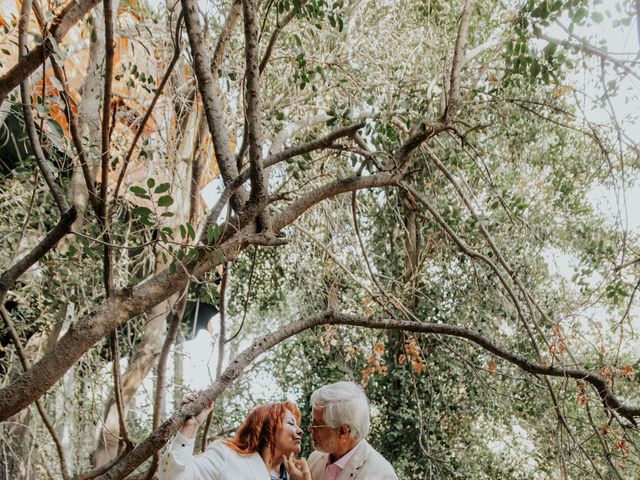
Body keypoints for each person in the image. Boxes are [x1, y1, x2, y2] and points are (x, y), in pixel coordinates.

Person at [158, 394, 311, 480]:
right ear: (267, 429)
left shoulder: (295, 476)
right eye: (291, 423)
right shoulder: (226, 455)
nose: (300, 431)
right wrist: (189, 428)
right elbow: (175, 478)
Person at [285, 381, 397, 480]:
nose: (309, 429)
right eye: (311, 421)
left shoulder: (381, 475)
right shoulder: (315, 458)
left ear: (343, 431)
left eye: (316, 425)